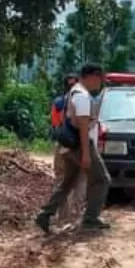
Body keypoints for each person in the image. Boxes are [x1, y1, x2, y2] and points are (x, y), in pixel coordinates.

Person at [36, 63, 111, 233]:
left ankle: (45, 214)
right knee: (102, 179)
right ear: (92, 76)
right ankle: (91, 218)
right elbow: (83, 127)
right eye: (100, 78)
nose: (100, 83)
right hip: (79, 145)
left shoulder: (75, 92)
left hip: (69, 146)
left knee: (68, 183)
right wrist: (86, 154)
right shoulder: (82, 96)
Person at [50, 73, 83, 225]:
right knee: (79, 180)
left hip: (63, 145)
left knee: (61, 179)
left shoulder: (58, 102)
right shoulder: (84, 102)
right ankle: (76, 216)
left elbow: (55, 125)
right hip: (79, 147)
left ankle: (62, 216)